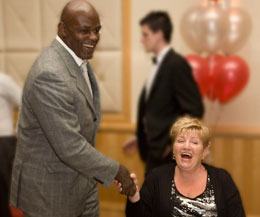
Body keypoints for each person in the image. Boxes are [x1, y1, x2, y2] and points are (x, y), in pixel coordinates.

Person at [10, 1, 135, 217]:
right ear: (63, 30)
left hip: (82, 182)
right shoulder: (49, 74)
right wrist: (116, 171)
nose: (93, 37)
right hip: (50, 193)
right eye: (84, 31)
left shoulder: (77, 59)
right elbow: (69, 146)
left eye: (97, 30)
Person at [123, 11, 204, 175]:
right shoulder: (160, 64)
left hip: (168, 156)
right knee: (150, 198)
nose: (141, 39)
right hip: (154, 152)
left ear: (159, 34)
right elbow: (158, 111)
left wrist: (171, 143)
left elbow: (195, 109)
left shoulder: (176, 64)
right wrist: (141, 139)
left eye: (145, 34)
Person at [116, 116, 246, 217]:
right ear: (173, 149)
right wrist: (134, 197)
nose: (186, 146)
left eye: (194, 142)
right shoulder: (156, 177)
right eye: (181, 140)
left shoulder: (222, 179)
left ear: (204, 152)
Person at [0, 72, 22, 194]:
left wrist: (20, 130)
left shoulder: (3, 81)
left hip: (3, 142)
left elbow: (25, 103)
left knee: (5, 190)